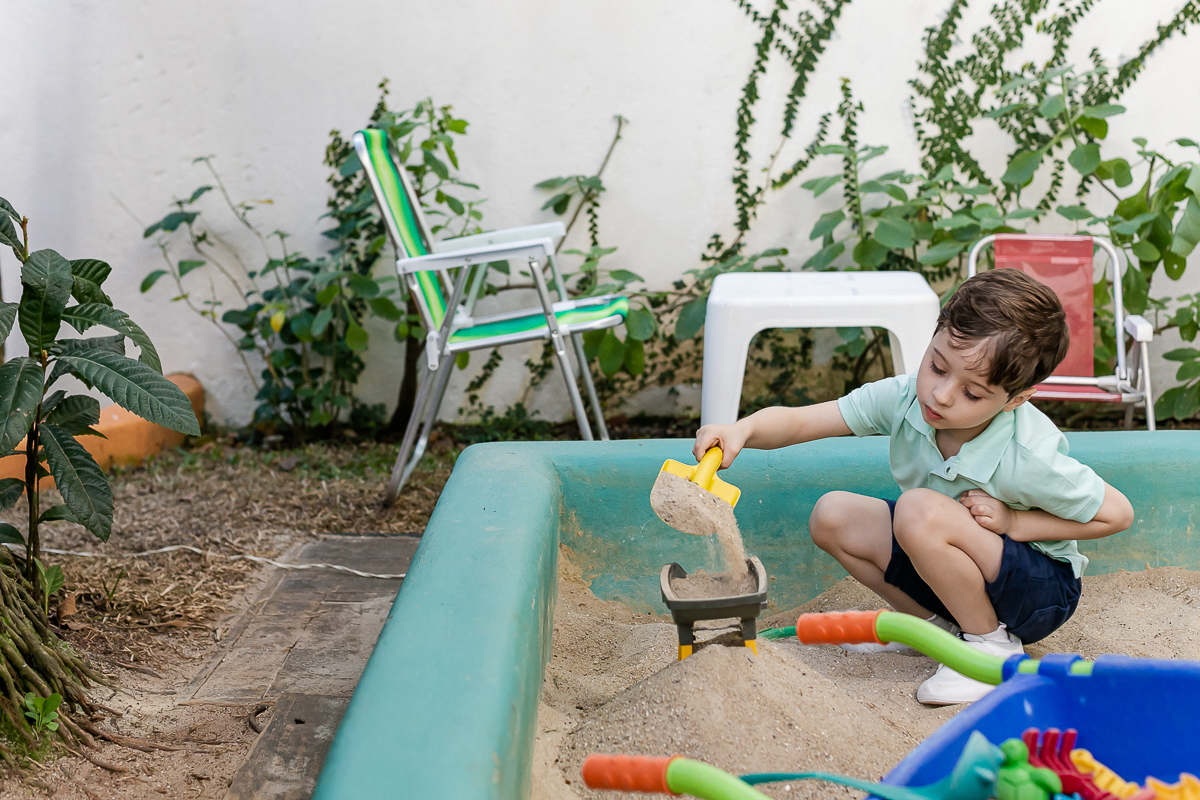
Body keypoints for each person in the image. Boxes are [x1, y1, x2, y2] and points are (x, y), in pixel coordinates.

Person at [692, 269, 1134, 705]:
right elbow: (803, 420)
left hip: (1038, 591)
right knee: (833, 516)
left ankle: (988, 648)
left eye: (973, 394)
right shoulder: (906, 400)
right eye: (937, 366)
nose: (940, 394)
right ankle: (936, 632)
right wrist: (742, 430)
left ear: (1016, 399)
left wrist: (1016, 521)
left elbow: (1117, 514)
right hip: (958, 565)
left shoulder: (1027, 455)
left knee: (916, 509)